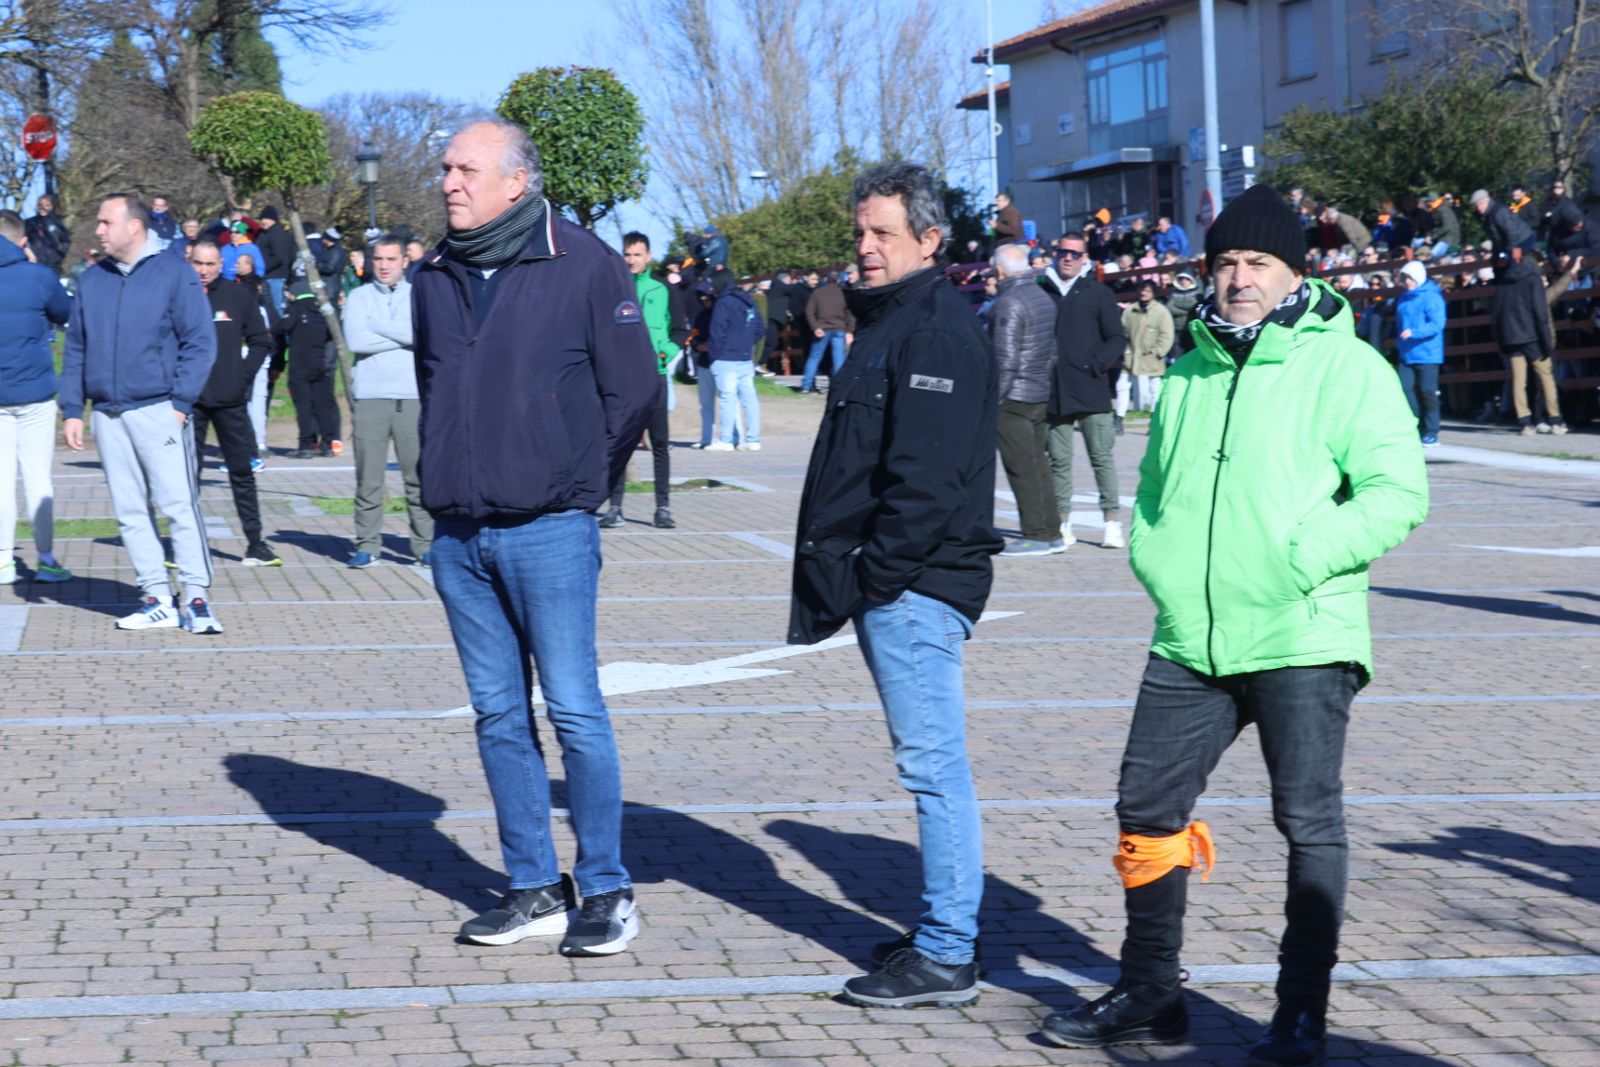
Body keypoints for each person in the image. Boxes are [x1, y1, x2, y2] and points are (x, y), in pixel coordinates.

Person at [1038, 183, 1429, 1061]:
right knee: (1145, 805)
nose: (1238, 279)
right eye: (1225, 264)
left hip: (1302, 631)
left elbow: (1398, 494)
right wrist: (1158, 556)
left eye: (1256, 263)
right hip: (1191, 632)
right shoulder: (1191, 367)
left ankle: (1299, 1009)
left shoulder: (1347, 366)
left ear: (1295, 271)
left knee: (1308, 821)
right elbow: (1161, 489)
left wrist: (1298, 557)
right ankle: (1149, 993)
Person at [413, 118, 657, 956]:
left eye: (465, 168)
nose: (448, 181)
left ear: (516, 181)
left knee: (578, 711)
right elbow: (436, 385)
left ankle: (606, 888)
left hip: (551, 527)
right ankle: (531, 886)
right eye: (445, 167)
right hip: (458, 534)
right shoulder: (432, 273)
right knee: (498, 716)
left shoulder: (582, 261)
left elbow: (634, 390)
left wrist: (579, 482)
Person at [789, 160, 1001, 1008]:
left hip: (916, 585)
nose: (866, 248)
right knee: (928, 761)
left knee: (933, 766)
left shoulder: (937, 329)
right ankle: (941, 931)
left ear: (929, 239)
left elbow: (927, 478)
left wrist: (878, 577)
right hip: (900, 581)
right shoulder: (897, 319)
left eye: (883, 233)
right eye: (861, 233)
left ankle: (949, 950)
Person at [60, 194, 221, 632]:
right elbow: (77, 349)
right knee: (130, 510)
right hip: (108, 414)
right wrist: (73, 408)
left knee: (178, 506)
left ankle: (197, 598)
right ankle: (156, 597)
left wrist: (181, 403)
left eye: (105, 222)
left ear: (134, 226)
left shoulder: (175, 274)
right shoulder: (91, 281)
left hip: (159, 409)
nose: (98, 230)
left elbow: (200, 342)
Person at [341, 235, 433, 568]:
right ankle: (367, 544)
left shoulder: (420, 295)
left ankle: (424, 545)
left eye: (391, 259)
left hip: (412, 397)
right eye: (378, 258)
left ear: (405, 261)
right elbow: (355, 339)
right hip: (370, 398)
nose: (383, 265)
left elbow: (424, 336)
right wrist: (401, 334)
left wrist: (377, 327)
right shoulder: (358, 296)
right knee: (369, 478)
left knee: (419, 477)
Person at [187, 240, 278, 567]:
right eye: (198, 263)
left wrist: (242, 376)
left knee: (241, 471)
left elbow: (260, 341)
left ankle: (256, 542)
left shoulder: (238, 295)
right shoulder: (180, 295)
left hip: (230, 399)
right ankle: (188, 544)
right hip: (189, 402)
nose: (203, 271)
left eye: (210, 264)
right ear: (190, 261)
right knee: (187, 476)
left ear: (220, 265)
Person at [0, 209, 73, 584]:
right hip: (35, 391)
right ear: (23, 240)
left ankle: (2, 561)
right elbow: (64, 312)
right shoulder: (38, 276)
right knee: (37, 477)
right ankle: (45, 558)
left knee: (0, 481)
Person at [1042, 232, 1127, 550]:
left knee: (1101, 458)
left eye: (1074, 254)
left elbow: (1117, 338)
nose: (1067, 258)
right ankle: (1063, 524)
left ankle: (1112, 523)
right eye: (1063, 252)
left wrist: (1095, 364)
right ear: (1055, 253)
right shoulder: (1042, 291)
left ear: (1085, 258)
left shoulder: (1099, 293)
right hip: (1055, 392)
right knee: (1059, 463)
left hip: (1092, 390)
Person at [1471, 188, 1567, 435]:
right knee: (1545, 375)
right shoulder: (1532, 280)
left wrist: (1502, 341)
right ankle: (1555, 419)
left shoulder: (1502, 284)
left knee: (1518, 379)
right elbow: (1539, 311)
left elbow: (1498, 313)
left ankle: (1524, 422)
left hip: (1512, 337)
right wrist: (1546, 341)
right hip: (1532, 336)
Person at [989, 242, 1064, 557]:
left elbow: (1004, 359)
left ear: (1000, 270)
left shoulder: (1008, 302)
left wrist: (992, 400)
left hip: (1013, 397)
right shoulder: (1043, 297)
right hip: (1036, 391)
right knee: (1038, 464)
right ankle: (1052, 531)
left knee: (1022, 467)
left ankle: (1035, 534)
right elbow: (1052, 351)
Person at [599, 232, 676, 530]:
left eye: (637, 255)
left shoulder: (661, 289)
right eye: (627, 255)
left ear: (648, 256)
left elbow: (677, 329)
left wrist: (665, 353)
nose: (631, 260)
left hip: (655, 376)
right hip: (624, 379)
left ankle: (663, 508)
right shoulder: (613, 290)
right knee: (621, 443)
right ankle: (615, 507)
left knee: (660, 444)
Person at [704, 275, 764, 450]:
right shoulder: (749, 301)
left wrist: (713, 356)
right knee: (750, 399)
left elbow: (717, 331)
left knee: (727, 399)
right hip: (745, 358)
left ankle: (726, 440)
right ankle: (753, 440)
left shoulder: (723, 303)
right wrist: (745, 342)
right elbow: (760, 328)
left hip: (725, 358)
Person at [283, 283, 342, 456]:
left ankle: (306, 445)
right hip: (320, 363)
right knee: (322, 406)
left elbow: (282, 326)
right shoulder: (322, 311)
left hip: (299, 364)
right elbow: (333, 333)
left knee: (304, 406)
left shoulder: (295, 309)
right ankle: (328, 444)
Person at [1393, 260, 1445, 446]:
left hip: (1428, 353)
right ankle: (1416, 423)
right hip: (1407, 353)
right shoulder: (1403, 298)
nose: (1407, 282)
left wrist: (1414, 333)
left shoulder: (1432, 297)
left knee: (1427, 392)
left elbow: (1437, 324)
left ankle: (1431, 431)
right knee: (1403, 389)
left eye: (1410, 278)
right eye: (1404, 278)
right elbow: (1399, 323)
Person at [1123, 280, 1174, 413]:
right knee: (1126, 386)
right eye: (1142, 290)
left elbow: (1167, 335)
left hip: (1153, 357)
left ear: (1154, 293)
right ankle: (1125, 414)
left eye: (1148, 291)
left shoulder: (1162, 311)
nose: (1143, 293)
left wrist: (1159, 352)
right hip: (1133, 357)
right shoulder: (1130, 311)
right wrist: (1126, 353)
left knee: (1155, 386)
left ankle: (1154, 415)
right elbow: (1123, 333)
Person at [801, 270, 855, 394]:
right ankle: (838, 387)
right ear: (838, 281)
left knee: (814, 357)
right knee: (839, 359)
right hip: (839, 329)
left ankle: (806, 386)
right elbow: (849, 314)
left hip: (822, 329)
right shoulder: (843, 294)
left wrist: (815, 327)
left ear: (825, 280)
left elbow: (809, 311)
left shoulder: (817, 293)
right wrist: (850, 330)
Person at [254, 205, 295, 310]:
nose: (263, 221)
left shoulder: (277, 234)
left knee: (277, 307)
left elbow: (280, 257)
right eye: (261, 219)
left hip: (276, 276)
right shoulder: (264, 233)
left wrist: (261, 268)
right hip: (268, 276)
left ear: (273, 220)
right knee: (269, 306)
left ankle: (279, 325)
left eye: (266, 219)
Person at [24, 194, 72, 275]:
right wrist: (29, 254)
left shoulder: (58, 222)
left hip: (54, 265)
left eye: (47, 205)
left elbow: (66, 241)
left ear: (52, 206)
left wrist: (60, 255)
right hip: (35, 264)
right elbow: (21, 241)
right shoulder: (29, 223)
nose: (43, 208)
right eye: (40, 205)